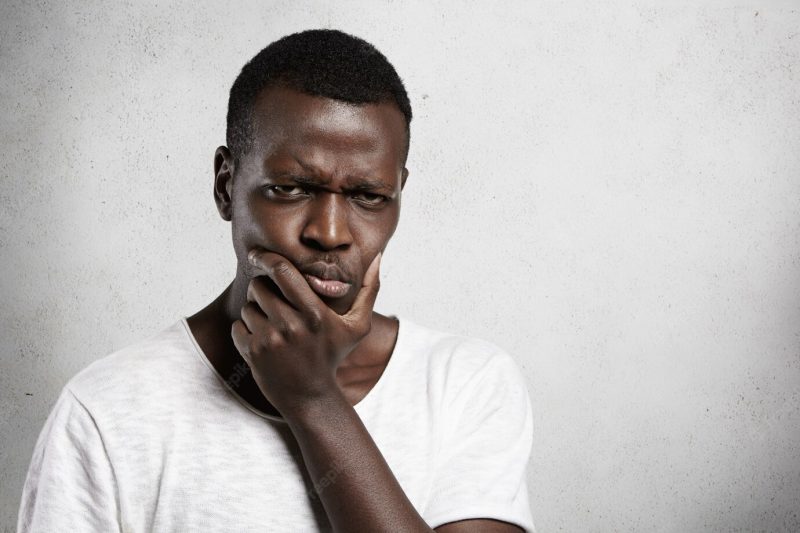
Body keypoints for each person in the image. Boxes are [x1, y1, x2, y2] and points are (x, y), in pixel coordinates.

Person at [18, 29, 535, 532]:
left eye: (368, 197)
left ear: (399, 195)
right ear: (226, 187)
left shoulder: (465, 384)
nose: (329, 233)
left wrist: (313, 400)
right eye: (289, 188)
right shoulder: (107, 412)